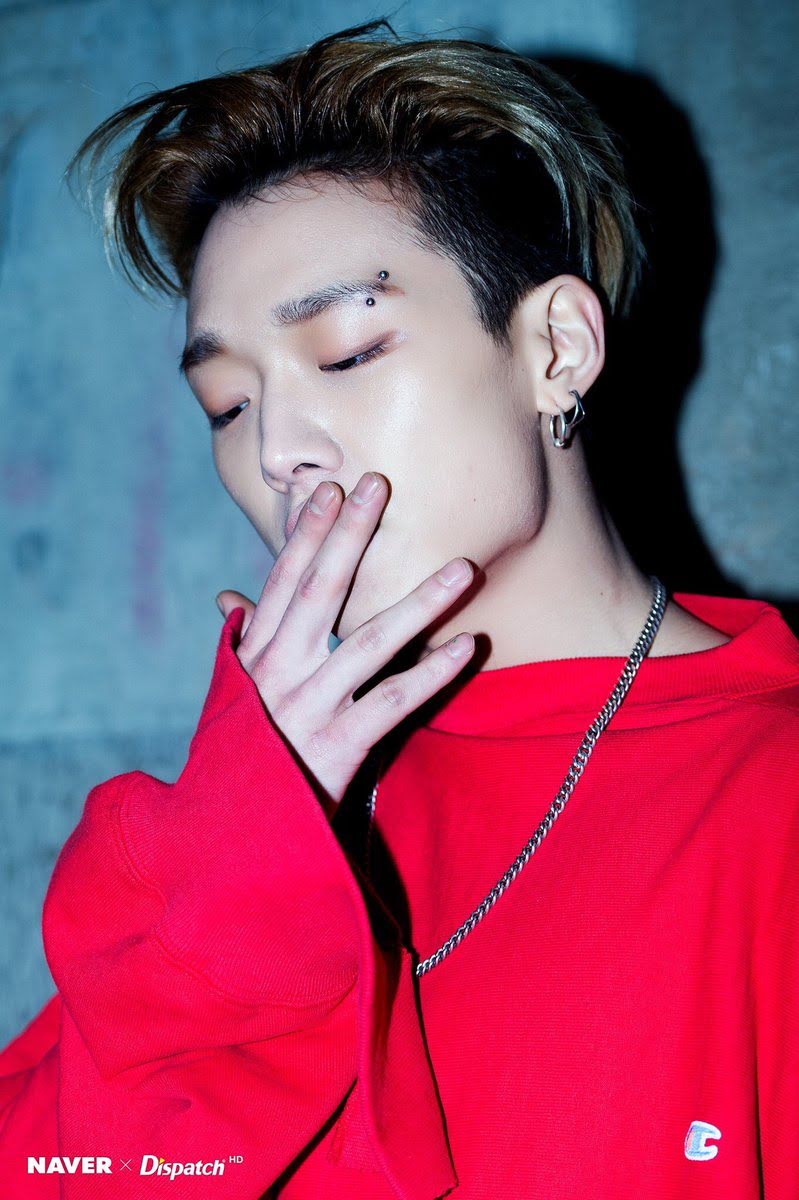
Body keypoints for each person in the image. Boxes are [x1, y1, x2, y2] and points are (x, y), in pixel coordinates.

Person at [1, 17, 797, 1199]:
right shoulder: (279, 819)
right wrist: (235, 878)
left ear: (556, 348)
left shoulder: (768, 795)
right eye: (226, 405)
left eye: (344, 353)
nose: (275, 450)